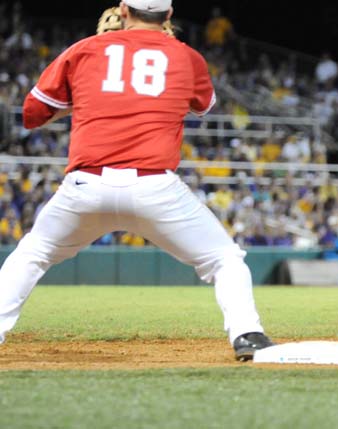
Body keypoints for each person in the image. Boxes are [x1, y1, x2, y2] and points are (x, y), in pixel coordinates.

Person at [0, 0, 274, 361]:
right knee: (225, 260)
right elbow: (202, 108)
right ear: (169, 16)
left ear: (123, 10)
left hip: (85, 186)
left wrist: (86, 97)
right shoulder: (186, 56)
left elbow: (33, 115)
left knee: (32, 253)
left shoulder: (84, 49)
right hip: (155, 188)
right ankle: (247, 336)